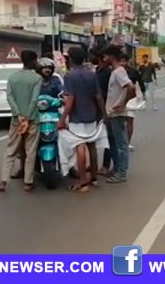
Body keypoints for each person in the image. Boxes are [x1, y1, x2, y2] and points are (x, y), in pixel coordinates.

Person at [58, 47, 108, 193]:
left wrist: (63, 118)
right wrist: (103, 113)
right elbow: (98, 96)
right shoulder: (92, 75)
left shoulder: (69, 76)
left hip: (77, 117)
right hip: (92, 115)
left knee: (80, 147)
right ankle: (93, 178)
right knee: (91, 146)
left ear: (71, 59)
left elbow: (70, 99)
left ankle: (82, 182)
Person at [0, 50, 42, 193]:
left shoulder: (12, 77)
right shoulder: (36, 78)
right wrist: (26, 117)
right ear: (32, 61)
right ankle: (28, 182)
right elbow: (34, 99)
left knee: (10, 150)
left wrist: (19, 115)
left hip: (16, 120)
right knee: (30, 151)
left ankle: (3, 182)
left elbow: (9, 97)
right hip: (32, 120)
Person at [102, 45, 136, 184]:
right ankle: (116, 168)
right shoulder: (114, 71)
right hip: (111, 113)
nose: (104, 59)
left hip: (117, 114)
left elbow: (131, 87)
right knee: (113, 142)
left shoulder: (119, 72)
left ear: (111, 56)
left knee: (121, 144)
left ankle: (121, 172)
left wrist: (122, 103)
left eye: (105, 56)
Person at [91, 47, 114, 177]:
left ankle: (106, 165)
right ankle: (94, 164)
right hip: (95, 108)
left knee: (108, 137)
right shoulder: (97, 71)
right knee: (93, 137)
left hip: (105, 107)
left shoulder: (108, 72)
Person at [120, 53, 145, 151]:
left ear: (127, 61)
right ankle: (121, 142)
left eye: (123, 61)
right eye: (120, 61)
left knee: (130, 121)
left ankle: (128, 142)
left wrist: (143, 95)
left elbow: (141, 82)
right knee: (120, 122)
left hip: (131, 99)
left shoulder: (133, 71)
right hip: (119, 98)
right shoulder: (116, 71)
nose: (122, 63)